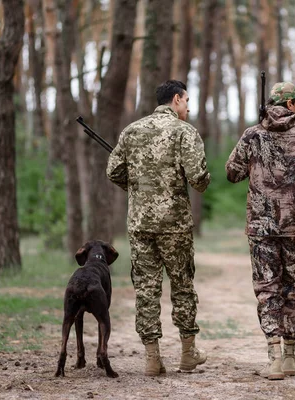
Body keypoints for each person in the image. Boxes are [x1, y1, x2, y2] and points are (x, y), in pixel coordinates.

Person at [226, 82, 295, 380]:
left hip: (261, 227)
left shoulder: (253, 135)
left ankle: (274, 358)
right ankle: (290, 356)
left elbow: (232, 173)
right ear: (289, 104)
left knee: (267, 290)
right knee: (292, 288)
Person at [106, 80, 210, 376]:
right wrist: (196, 181)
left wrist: (140, 189)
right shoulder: (184, 132)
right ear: (176, 100)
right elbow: (198, 179)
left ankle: (152, 359)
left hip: (140, 224)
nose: (188, 106)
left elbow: (113, 171)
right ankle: (188, 355)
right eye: (187, 100)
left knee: (146, 289)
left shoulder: (131, 130)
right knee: (182, 286)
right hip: (175, 225)